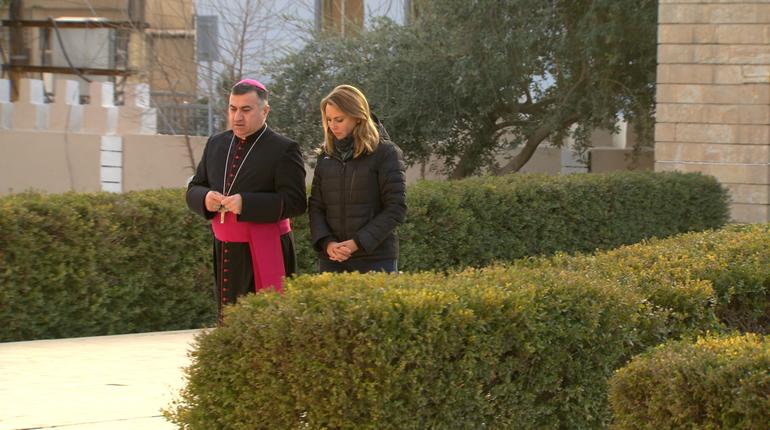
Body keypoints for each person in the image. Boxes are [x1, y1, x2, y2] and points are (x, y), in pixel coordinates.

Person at [186, 79, 306, 317]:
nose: (237, 117)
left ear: (265, 110)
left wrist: (247, 203)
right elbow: (194, 188)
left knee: (267, 319)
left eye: (246, 110)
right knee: (228, 318)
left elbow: (296, 202)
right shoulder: (216, 143)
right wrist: (205, 198)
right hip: (224, 248)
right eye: (233, 109)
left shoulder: (284, 149)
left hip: (265, 246)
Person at [309, 84, 407, 273]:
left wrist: (356, 243)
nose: (333, 126)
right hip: (332, 259)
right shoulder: (325, 156)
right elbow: (316, 207)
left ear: (357, 117)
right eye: (329, 119)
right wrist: (328, 243)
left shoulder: (386, 153)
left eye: (339, 119)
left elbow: (396, 208)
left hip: (375, 258)